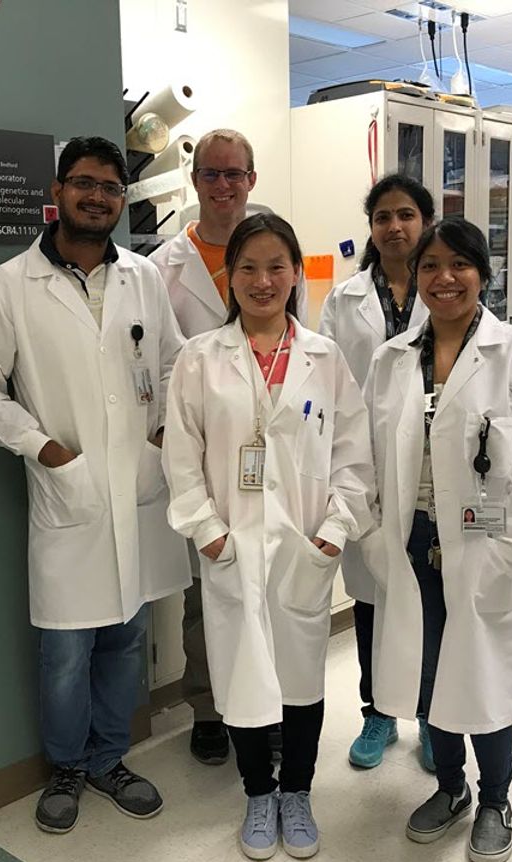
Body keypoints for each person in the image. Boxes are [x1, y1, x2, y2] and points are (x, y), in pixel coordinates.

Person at [0, 136, 188, 836]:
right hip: (69, 490)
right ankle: (66, 767)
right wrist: (45, 448)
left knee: (126, 639)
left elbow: (177, 363)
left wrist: (160, 437)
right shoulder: (10, 286)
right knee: (65, 651)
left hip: (135, 487)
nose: (98, 197)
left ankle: (110, 759)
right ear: (57, 192)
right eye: (85, 183)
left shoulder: (143, 280)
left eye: (111, 188)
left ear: (123, 200)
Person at [364, 217, 512, 862]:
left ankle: (495, 799)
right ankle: (451, 788)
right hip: (414, 540)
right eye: (430, 266)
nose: (444, 278)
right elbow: (372, 457)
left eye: (460, 264)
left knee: (482, 669)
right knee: (432, 676)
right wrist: (376, 533)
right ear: (415, 275)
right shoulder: (394, 359)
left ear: (484, 274)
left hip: (489, 542)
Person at [163, 213, 374, 861]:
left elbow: (352, 454)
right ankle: (259, 792)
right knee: (242, 676)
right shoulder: (200, 359)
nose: (262, 280)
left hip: (303, 547)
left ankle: (298, 791)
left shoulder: (323, 356)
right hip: (233, 546)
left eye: (276, 266)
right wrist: (209, 534)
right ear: (229, 277)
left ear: (293, 273)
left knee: (302, 677)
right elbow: (181, 456)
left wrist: (335, 533)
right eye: (248, 267)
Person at [150, 129, 306, 764]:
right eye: (211, 174)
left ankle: (270, 709)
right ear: (195, 182)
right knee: (205, 597)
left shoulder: (276, 253)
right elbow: (162, 364)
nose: (222, 186)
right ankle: (209, 707)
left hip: (275, 464)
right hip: (209, 462)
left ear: (252, 179)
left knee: (270, 594)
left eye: (234, 174)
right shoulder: (163, 268)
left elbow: (301, 357)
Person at [317, 172, 434, 773]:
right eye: (383, 216)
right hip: (365, 462)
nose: (394, 226)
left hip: (431, 468)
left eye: (406, 214)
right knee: (369, 595)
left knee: (429, 592)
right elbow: (327, 381)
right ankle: (377, 712)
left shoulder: (447, 288)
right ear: (371, 227)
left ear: (425, 222)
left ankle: (432, 715)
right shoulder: (344, 299)